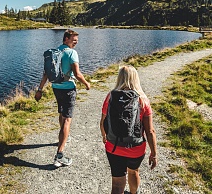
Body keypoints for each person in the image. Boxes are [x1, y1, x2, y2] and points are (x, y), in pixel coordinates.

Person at [35, 29, 91, 167]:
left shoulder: (55, 52)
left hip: (56, 88)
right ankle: (59, 155)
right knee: (67, 119)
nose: (76, 43)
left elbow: (46, 74)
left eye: (77, 41)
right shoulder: (72, 53)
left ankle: (64, 137)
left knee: (61, 113)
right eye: (73, 40)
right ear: (66, 39)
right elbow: (77, 74)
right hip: (68, 89)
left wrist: (40, 90)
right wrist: (86, 83)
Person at [100, 66, 157, 194]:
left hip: (113, 146)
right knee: (133, 171)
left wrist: (105, 136)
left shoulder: (110, 97)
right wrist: (153, 153)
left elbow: (103, 121)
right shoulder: (143, 101)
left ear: (119, 78)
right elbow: (150, 131)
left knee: (117, 183)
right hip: (136, 148)